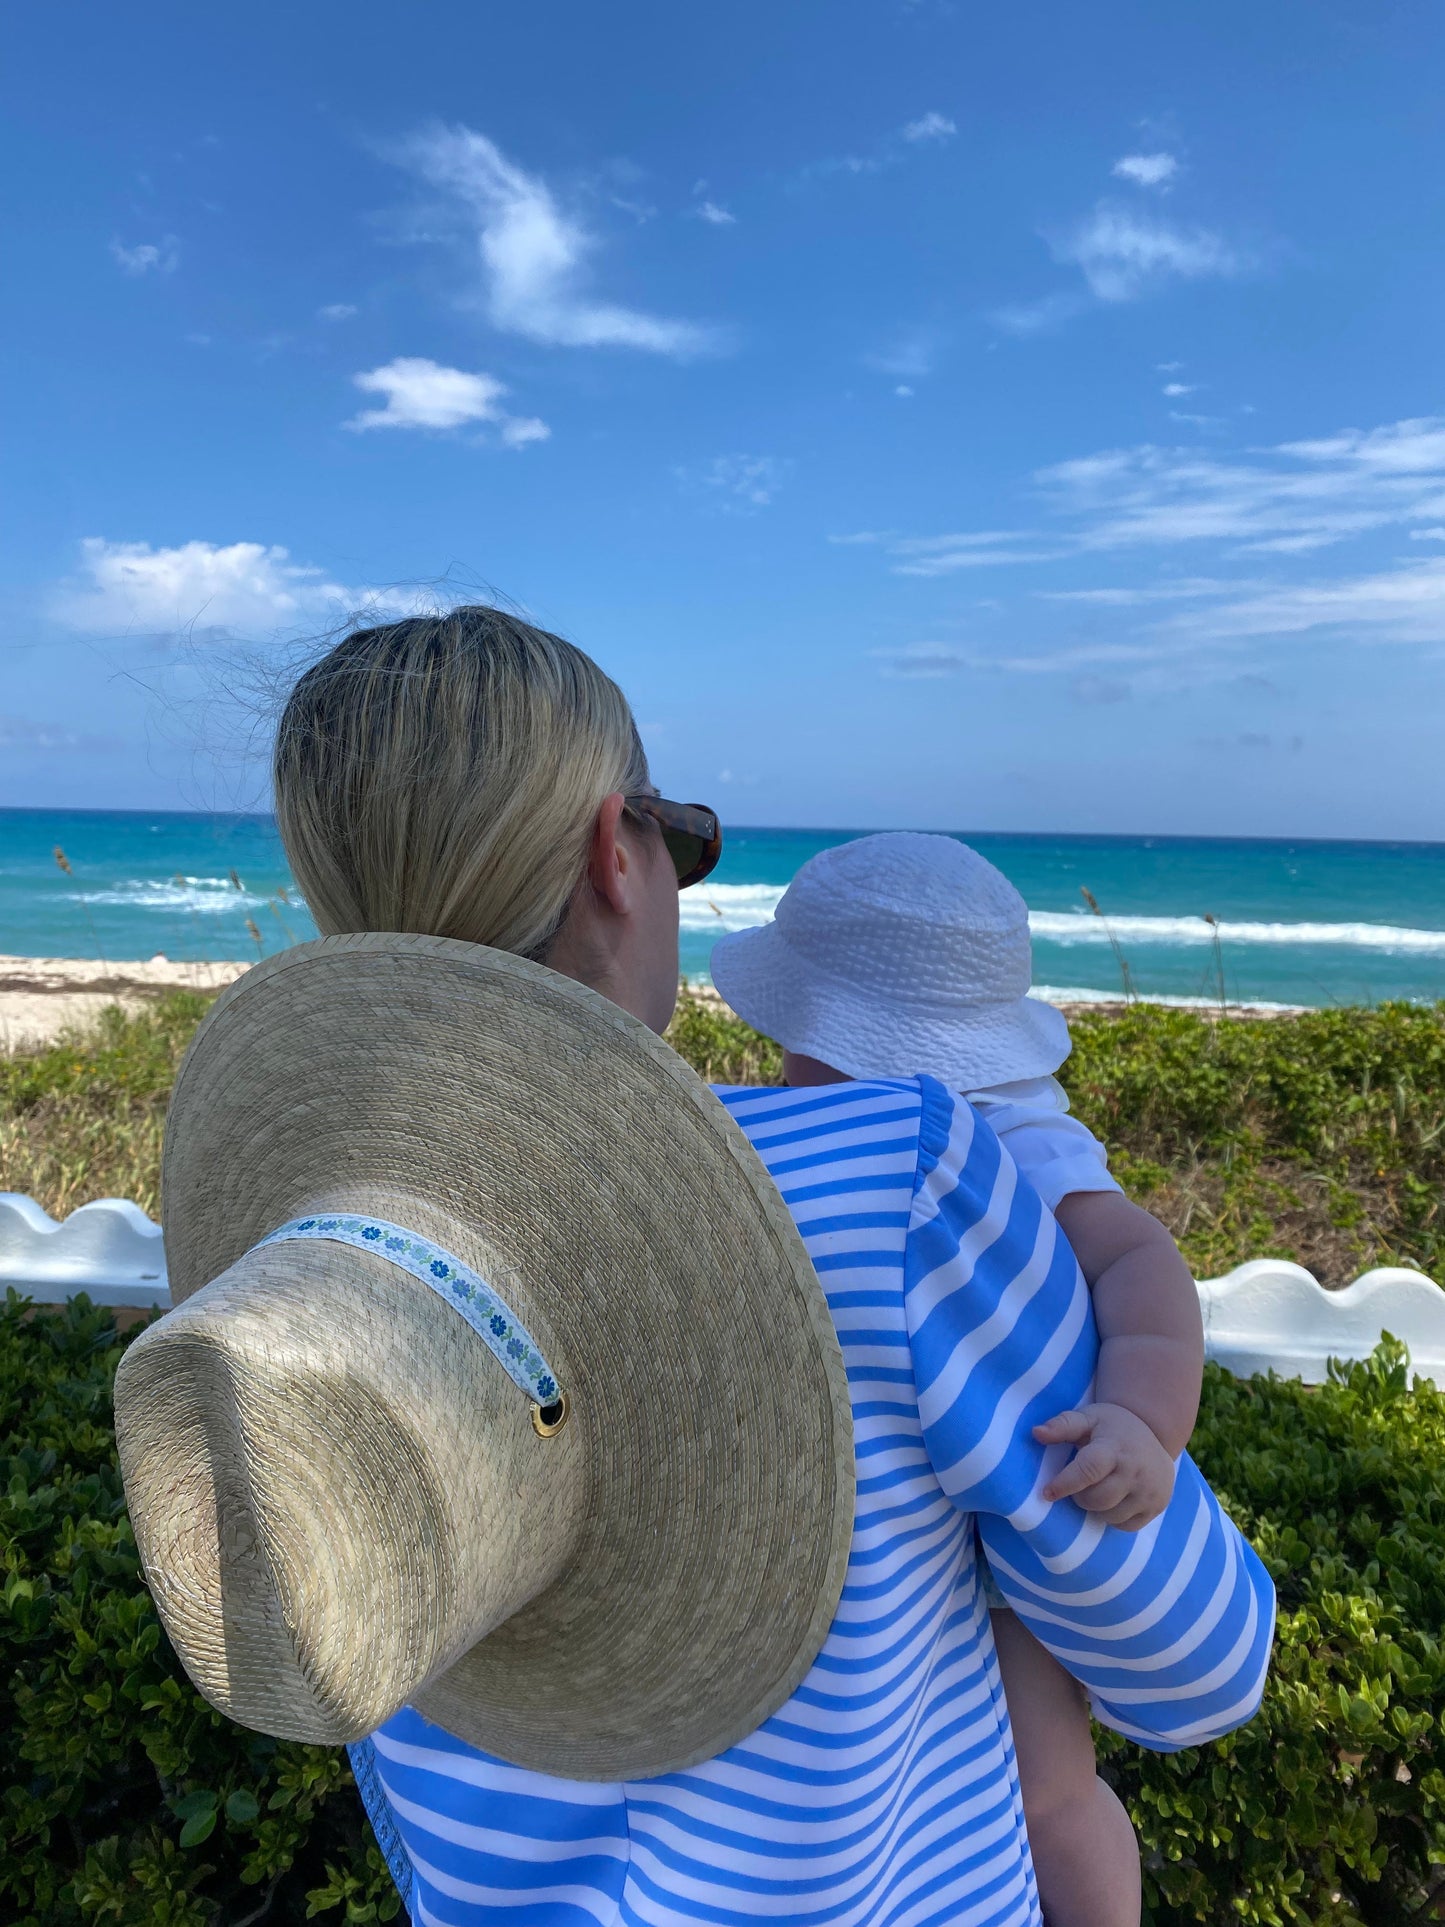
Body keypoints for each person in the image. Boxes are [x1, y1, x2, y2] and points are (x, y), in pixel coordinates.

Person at [208, 609, 1272, 1926]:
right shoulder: (896, 1176)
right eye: (676, 831)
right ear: (617, 852)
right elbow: (1193, 1659)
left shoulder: (304, 1263)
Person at [710, 831, 1207, 1927]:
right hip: (906, 1529)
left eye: (795, 1035)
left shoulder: (1017, 1134)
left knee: (1046, 1788)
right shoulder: (841, 1120)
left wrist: (1142, 1419)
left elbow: (1138, 1263)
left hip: (1022, 1522)